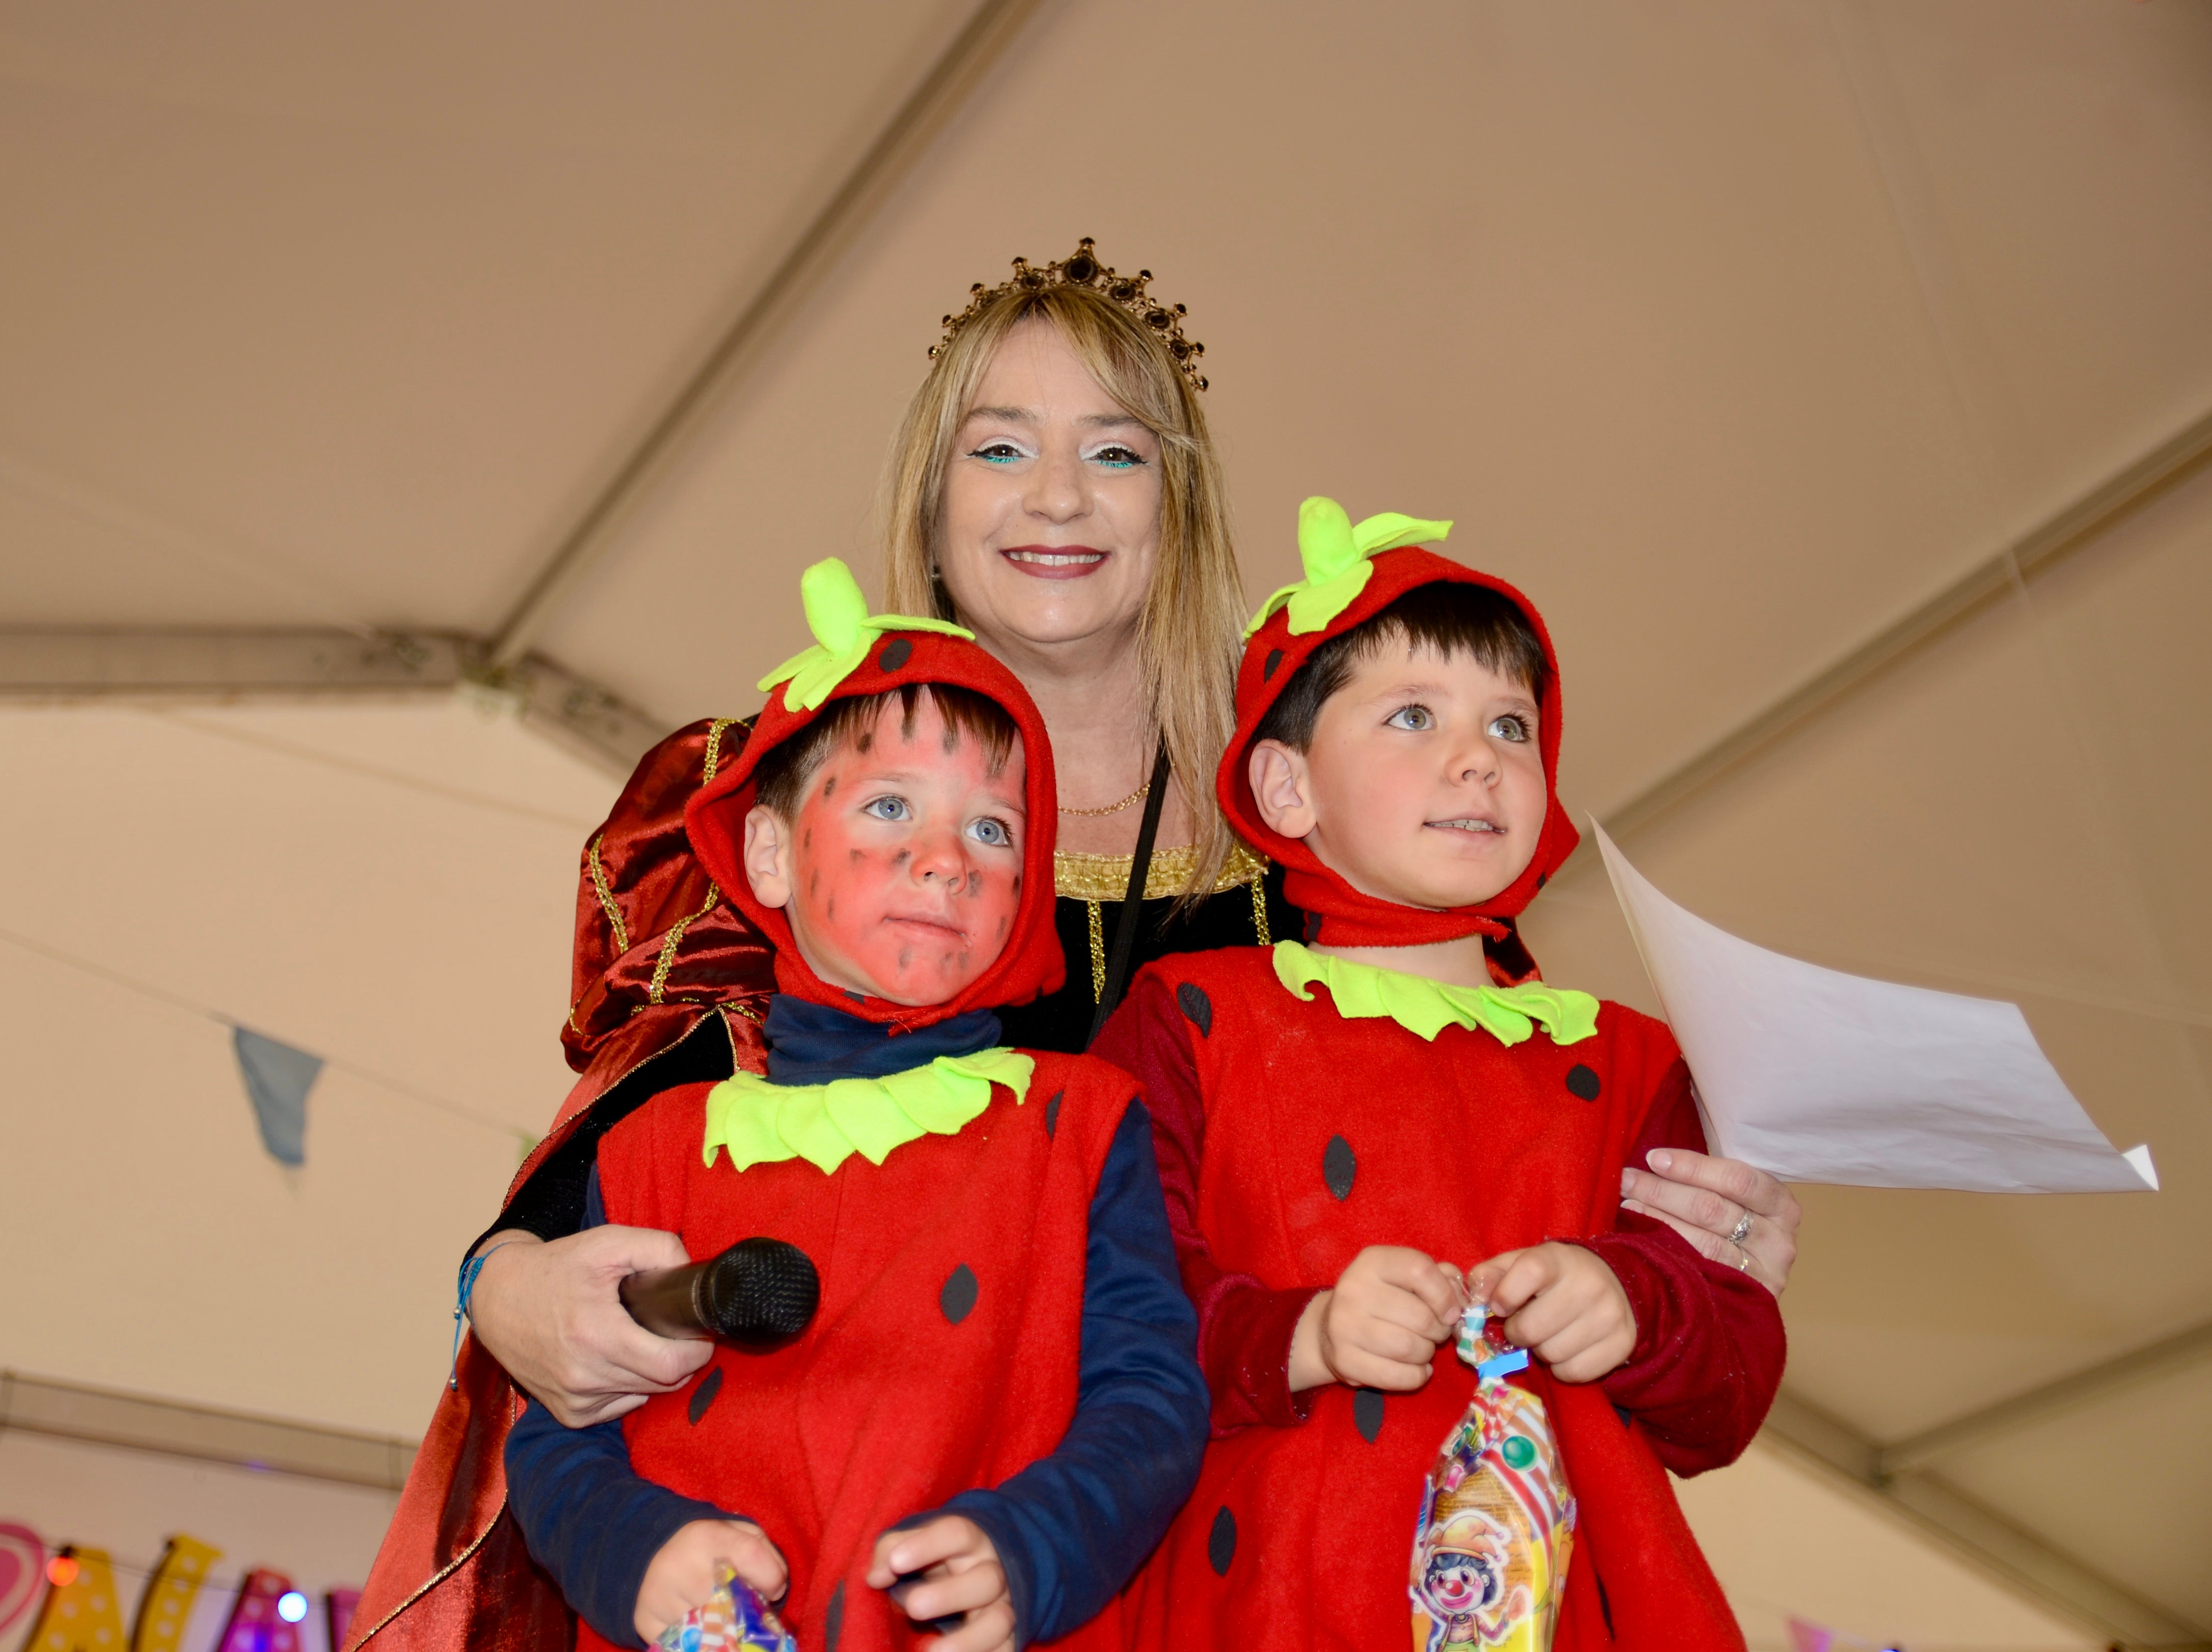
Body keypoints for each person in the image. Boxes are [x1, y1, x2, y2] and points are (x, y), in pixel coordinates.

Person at [348, 245, 1802, 1650]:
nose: (1058, 496)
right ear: (930, 494)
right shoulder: (787, 801)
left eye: (1114, 452)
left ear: (1181, 500)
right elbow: (622, 1152)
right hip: (847, 1533)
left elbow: (1516, 1196)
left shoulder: (1345, 819)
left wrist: (1694, 1259)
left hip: (1250, 1574)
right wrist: (503, 1282)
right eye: (1000, 449)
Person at [1098, 500, 1785, 1650]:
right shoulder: (1194, 1017)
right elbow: (1110, 1311)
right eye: (1414, 716)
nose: (1478, 757)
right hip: (1270, 1588)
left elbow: (1728, 1385)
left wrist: (1637, 1304)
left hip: (1563, 1600)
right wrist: (1301, 1336)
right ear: (1285, 789)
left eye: (1512, 727)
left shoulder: (1633, 1058)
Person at [502, 562, 1206, 1652]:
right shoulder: (652, 1147)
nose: (945, 862)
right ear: (772, 855)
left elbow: (1153, 1401)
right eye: (890, 807)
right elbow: (558, 1433)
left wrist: (1034, 1548)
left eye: (993, 831)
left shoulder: (1083, 1125)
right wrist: (631, 1549)